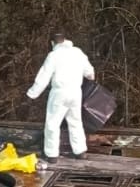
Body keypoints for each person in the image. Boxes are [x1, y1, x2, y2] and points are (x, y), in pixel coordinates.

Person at [26, 32, 96, 161]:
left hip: (59, 92)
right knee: (75, 122)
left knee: (52, 123)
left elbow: (43, 77)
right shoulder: (77, 52)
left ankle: (52, 154)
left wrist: (32, 94)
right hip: (76, 92)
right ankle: (80, 151)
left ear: (53, 43)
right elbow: (90, 73)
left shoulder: (53, 56)